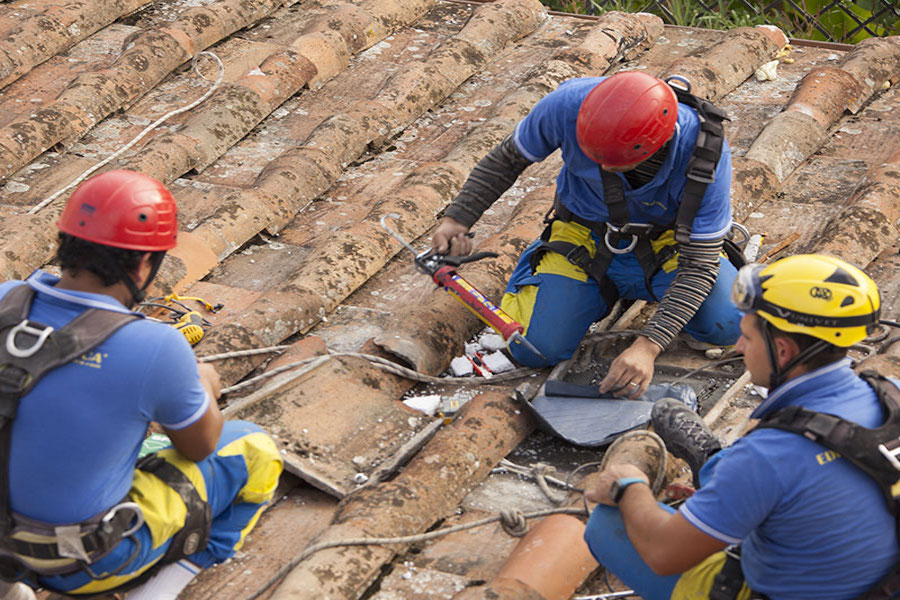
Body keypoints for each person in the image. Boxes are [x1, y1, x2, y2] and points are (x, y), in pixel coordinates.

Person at [0, 170, 283, 599]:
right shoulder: (156, 347)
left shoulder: (6, 298)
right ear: (144, 263)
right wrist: (203, 382)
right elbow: (199, 447)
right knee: (254, 449)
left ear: (64, 244)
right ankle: (160, 589)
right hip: (80, 562)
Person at [583, 254, 899, 599]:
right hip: (879, 584)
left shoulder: (769, 454)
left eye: (747, 336)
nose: (738, 346)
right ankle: (720, 473)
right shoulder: (890, 395)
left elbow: (663, 554)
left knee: (607, 524)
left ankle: (717, 471)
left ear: (782, 350)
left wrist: (628, 486)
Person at [431, 71, 743, 398]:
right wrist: (458, 218)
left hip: (669, 244)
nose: (603, 170)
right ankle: (553, 278)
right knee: (533, 349)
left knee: (727, 324)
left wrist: (648, 346)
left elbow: (699, 265)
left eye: (614, 164)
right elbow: (508, 160)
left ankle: (636, 291)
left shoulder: (705, 153)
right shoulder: (567, 104)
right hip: (584, 238)